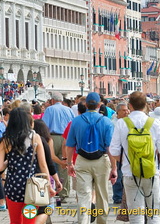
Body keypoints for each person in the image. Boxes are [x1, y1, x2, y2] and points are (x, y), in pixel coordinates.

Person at [110, 91, 160, 224]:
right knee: (154, 213)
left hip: (130, 172)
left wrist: (127, 161)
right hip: (151, 171)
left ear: (130, 105)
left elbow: (113, 151)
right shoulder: (154, 123)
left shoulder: (121, 123)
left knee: (136, 215)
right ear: (146, 105)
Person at [0, 107, 55, 224]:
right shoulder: (35, 137)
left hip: (13, 186)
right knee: (29, 220)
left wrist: (9, 161)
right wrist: (49, 185)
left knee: (15, 221)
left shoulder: (5, 140)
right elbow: (42, 164)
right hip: (32, 186)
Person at [66, 92, 114, 224]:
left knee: (83, 195)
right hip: (101, 161)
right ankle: (102, 221)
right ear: (99, 105)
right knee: (102, 194)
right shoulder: (106, 121)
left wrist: (70, 163)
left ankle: (83, 221)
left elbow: (70, 145)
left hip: (82, 159)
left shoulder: (76, 121)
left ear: (85, 105)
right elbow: (110, 147)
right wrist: (114, 168)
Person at [42, 91, 75, 202]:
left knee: (50, 162)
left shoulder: (49, 110)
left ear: (52, 100)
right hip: (67, 137)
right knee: (65, 164)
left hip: (52, 137)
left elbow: (44, 126)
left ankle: (52, 188)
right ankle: (64, 193)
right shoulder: (69, 110)